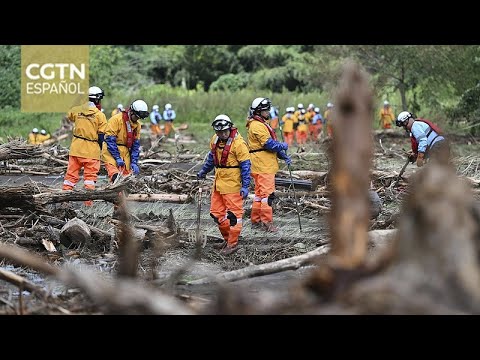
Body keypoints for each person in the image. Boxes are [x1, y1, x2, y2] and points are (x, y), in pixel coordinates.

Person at [197, 114, 251, 255]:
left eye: (224, 131)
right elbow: (211, 158)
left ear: (230, 128)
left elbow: (246, 166)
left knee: (234, 216)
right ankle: (228, 239)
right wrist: (203, 171)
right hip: (218, 183)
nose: (222, 134)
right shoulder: (215, 140)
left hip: (233, 185)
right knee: (216, 214)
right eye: (219, 132)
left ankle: (233, 244)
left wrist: (246, 186)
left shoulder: (239, 144)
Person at [246, 97, 291, 232]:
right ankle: (267, 222)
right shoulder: (257, 125)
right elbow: (268, 144)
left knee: (260, 194)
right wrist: (282, 145)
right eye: (266, 110)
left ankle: (256, 219)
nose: (268, 112)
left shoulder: (260, 123)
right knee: (267, 195)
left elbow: (269, 146)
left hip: (262, 163)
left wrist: (282, 155)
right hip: (263, 165)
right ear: (259, 111)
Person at [62, 86, 107, 206]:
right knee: (90, 179)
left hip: (76, 148)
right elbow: (101, 136)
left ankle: (64, 202)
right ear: (97, 100)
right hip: (91, 151)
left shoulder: (77, 110)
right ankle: (88, 205)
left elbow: (69, 114)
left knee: (70, 178)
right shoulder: (100, 116)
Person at [102, 99, 149, 183]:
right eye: (136, 117)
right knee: (115, 175)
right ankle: (113, 194)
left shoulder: (137, 125)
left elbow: (135, 145)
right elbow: (110, 140)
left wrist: (134, 162)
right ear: (131, 112)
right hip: (110, 150)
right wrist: (117, 157)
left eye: (139, 118)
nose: (137, 119)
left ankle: (122, 196)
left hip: (125, 152)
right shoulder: (116, 119)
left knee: (127, 178)